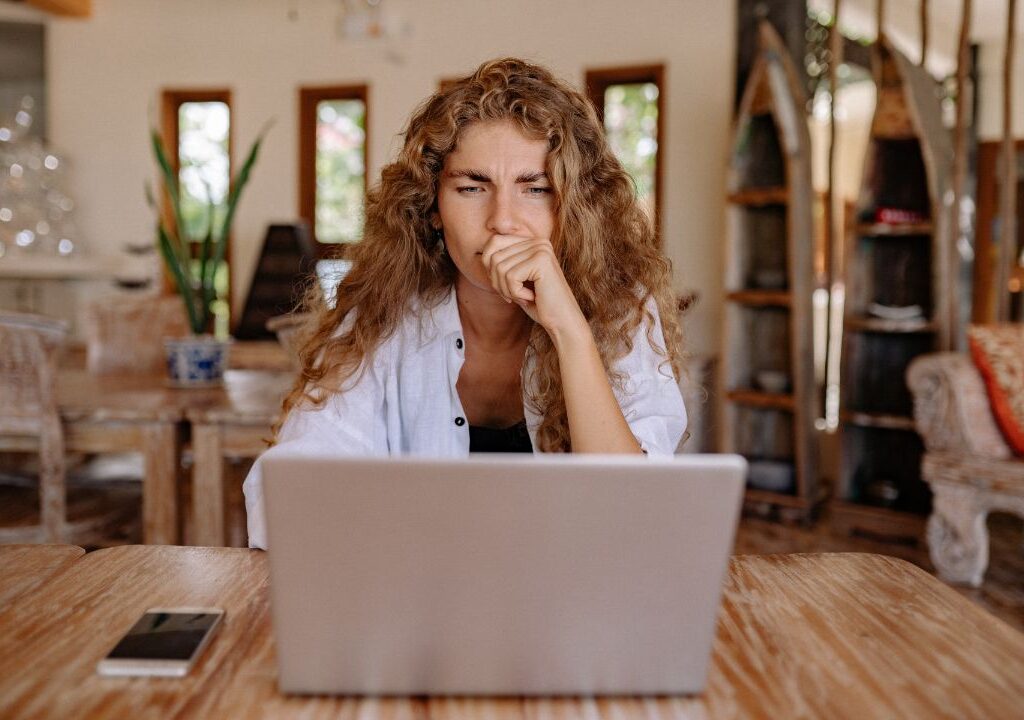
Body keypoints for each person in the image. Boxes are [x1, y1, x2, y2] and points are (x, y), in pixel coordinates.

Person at [243, 57, 687, 549]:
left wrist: (570, 332)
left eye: (536, 189)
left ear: (574, 209)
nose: (503, 221)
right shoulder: (379, 313)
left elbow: (635, 521)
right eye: (472, 188)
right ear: (433, 208)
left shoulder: (623, 309)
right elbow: (281, 499)